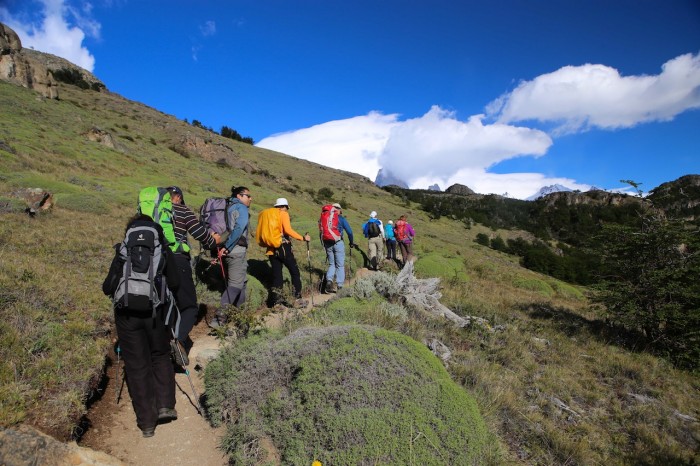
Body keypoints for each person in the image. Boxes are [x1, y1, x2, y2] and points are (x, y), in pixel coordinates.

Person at [102, 214, 180, 438]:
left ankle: (147, 422)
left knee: (136, 366)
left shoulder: (124, 249)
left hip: (126, 315)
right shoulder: (161, 248)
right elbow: (174, 282)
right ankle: (166, 405)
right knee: (159, 355)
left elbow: (108, 287)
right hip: (155, 312)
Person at [166, 186, 218, 358]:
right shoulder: (182, 210)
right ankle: (177, 341)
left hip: (154, 263)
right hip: (178, 261)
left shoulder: (153, 214)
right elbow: (200, 234)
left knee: (166, 304)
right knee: (188, 307)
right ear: (179, 197)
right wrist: (213, 240)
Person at [209, 186, 252, 328]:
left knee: (242, 283)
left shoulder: (228, 206)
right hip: (235, 250)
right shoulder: (241, 208)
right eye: (248, 196)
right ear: (239, 196)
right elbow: (239, 228)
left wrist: (225, 248)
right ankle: (219, 318)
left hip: (227, 250)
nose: (250, 198)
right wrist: (228, 247)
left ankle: (242, 318)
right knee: (235, 285)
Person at [267, 198, 311, 307]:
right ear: (284, 207)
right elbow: (287, 230)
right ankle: (297, 299)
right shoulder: (283, 214)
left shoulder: (270, 216)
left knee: (277, 276)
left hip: (271, 249)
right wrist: (302, 238)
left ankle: (277, 303)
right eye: (287, 207)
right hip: (283, 248)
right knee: (294, 272)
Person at [320, 202, 354, 293]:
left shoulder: (324, 217)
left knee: (332, 264)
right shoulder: (341, 219)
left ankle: (329, 280)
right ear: (338, 209)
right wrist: (351, 242)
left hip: (327, 243)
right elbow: (350, 232)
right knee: (340, 265)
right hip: (338, 242)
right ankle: (339, 286)